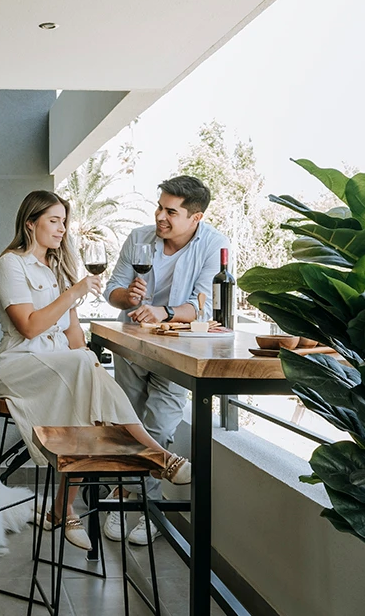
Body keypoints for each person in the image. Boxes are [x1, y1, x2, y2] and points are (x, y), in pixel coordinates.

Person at [0, 190, 192, 551]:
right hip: (20, 364)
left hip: (58, 364)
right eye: (54, 220)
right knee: (85, 372)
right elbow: (30, 327)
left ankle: (61, 510)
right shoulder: (11, 264)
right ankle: (157, 456)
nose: (62, 229)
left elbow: (73, 336)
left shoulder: (57, 270)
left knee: (91, 389)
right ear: (30, 223)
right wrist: (74, 293)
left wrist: (88, 360)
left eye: (64, 221)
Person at [102, 175, 230, 545]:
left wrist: (164, 311)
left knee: (160, 420)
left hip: (180, 345)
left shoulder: (214, 246)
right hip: (132, 343)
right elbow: (113, 290)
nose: (160, 216)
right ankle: (140, 501)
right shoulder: (139, 238)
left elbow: (203, 305)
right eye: (159, 207)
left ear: (196, 217)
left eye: (171, 211)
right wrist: (127, 298)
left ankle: (136, 499)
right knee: (128, 418)